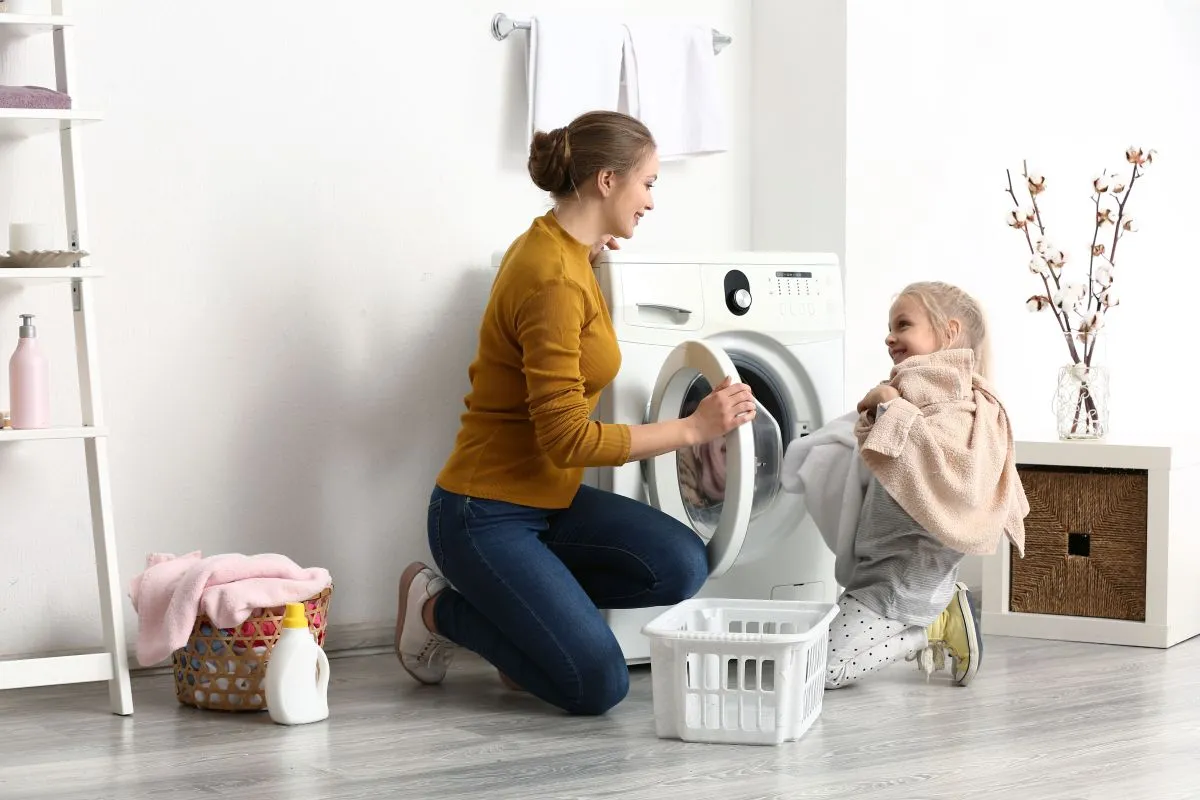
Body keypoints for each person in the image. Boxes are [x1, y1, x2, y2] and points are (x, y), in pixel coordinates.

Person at [394, 110, 757, 715]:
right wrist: (693, 428)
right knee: (597, 686)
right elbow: (566, 440)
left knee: (680, 562)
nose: (651, 201)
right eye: (648, 183)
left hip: (547, 504)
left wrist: (590, 254)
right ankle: (436, 608)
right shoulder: (552, 277)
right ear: (607, 181)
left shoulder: (562, 247)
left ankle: (529, 633)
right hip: (481, 513)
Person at [786, 281, 1028, 689]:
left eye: (903, 324)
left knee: (818, 673)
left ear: (948, 332)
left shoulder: (959, 408)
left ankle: (931, 628)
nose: (889, 336)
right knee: (811, 659)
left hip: (904, 575)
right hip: (881, 567)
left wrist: (886, 404)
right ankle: (940, 609)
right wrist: (884, 404)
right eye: (890, 326)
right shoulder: (917, 394)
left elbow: (954, 478)